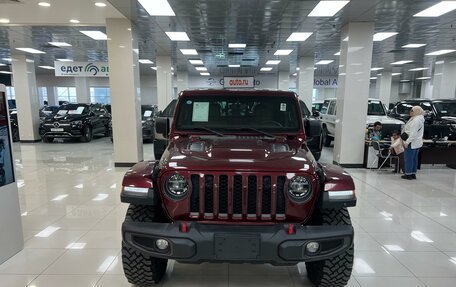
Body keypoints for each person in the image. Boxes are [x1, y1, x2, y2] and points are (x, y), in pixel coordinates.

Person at [401, 106, 425, 180]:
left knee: (409, 159)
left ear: (417, 112)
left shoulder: (416, 120)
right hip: (417, 142)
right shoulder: (419, 119)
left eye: (412, 110)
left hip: (411, 142)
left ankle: (408, 174)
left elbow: (413, 133)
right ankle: (413, 173)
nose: (410, 112)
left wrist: (407, 142)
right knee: (414, 159)